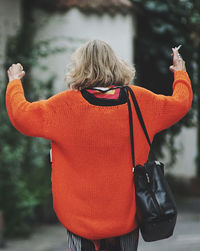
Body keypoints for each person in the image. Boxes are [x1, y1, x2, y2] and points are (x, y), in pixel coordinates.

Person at [6, 40, 192, 251]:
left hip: (80, 220)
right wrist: (180, 72)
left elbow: (21, 115)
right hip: (127, 217)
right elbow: (181, 102)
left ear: (79, 66)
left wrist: (14, 82)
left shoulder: (63, 106)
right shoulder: (140, 101)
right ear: (115, 64)